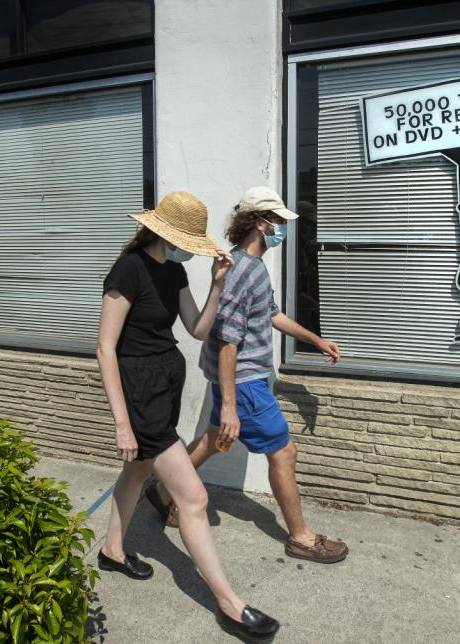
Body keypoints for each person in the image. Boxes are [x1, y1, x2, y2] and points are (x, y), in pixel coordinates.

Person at [96, 191, 279, 641]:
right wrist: (122, 421)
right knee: (194, 500)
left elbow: (198, 328)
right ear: (163, 231)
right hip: (139, 396)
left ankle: (113, 550)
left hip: (164, 389)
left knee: (137, 472)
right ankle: (229, 603)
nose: (188, 249)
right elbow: (104, 348)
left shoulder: (174, 270)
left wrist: (218, 283)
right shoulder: (129, 269)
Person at [147, 186, 349, 565]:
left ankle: (162, 491)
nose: (282, 231)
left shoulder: (251, 267)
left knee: (211, 442)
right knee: (284, 453)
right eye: (278, 223)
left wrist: (315, 339)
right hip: (245, 383)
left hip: (241, 383)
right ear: (260, 223)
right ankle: (301, 537)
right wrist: (230, 405)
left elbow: (271, 314)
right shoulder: (241, 271)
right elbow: (227, 341)